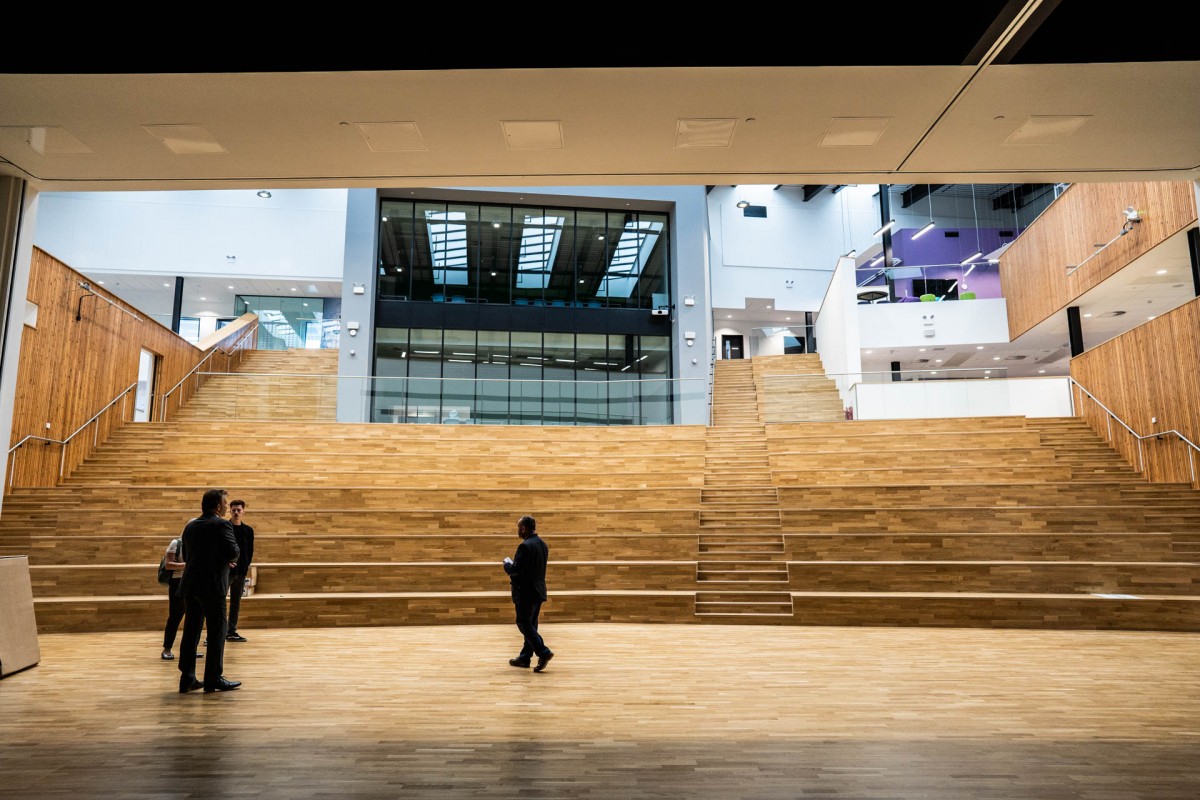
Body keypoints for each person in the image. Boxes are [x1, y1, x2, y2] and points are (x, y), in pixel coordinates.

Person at [177, 488, 242, 694]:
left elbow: (187, 555)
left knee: (191, 632)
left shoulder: (190, 526)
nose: (226, 507)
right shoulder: (222, 524)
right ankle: (213, 678)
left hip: (191, 585)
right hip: (212, 586)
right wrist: (226, 560)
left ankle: (187, 678)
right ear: (217, 506)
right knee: (217, 631)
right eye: (225, 503)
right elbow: (233, 552)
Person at [502, 515, 554, 672]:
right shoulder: (542, 545)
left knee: (523, 623)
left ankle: (543, 652)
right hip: (538, 591)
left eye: (518, 528)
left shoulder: (524, 546)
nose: (518, 531)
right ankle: (525, 657)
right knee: (531, 624)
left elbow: (516, 570)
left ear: (523, 528)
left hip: (526, 592)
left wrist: (507, 565)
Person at [225, 499, 254, 643]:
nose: (236, 512)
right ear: (230, 511)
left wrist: (244, 567)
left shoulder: (248, 531)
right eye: (234, 510)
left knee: (235, 603)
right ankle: (216, 633)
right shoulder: (224, 527)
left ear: (243, 511)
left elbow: (250, 552)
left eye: (239, 510)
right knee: (219, 602)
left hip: (240, 572)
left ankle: (231, 632)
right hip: (224, 572)